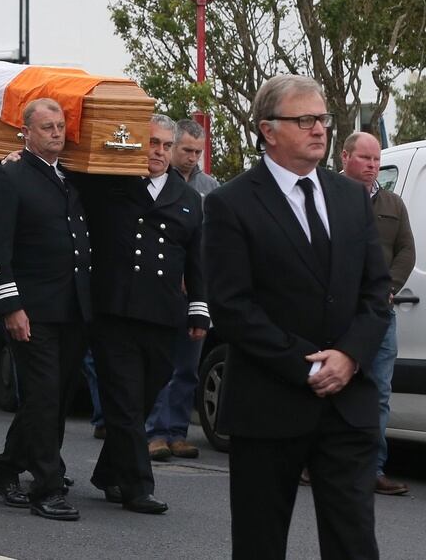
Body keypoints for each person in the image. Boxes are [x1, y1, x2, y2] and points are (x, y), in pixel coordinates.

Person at [205, 75, 390, 560]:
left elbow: (376, 291)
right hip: (269, 406)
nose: (319, 129)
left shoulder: (350, 197)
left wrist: (349, 356)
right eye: (304, 120)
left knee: (354, 542)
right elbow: (232, 308)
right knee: (260, 543)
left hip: (347, 406)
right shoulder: (231, 203)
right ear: (268, 130)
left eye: (322, 119)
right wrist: (307, 366)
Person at [75, 115, 207, 515]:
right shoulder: (111, 185)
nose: (159, 152)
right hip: (115, 311)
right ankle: (138, 485)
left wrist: (199, 310)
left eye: (167, 146)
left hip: (163, 314)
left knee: (147, 393)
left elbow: (197, 259)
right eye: (152, 143)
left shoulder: (189, 199)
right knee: (126, 401)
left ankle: (107, 472)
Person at [0, 97, 92, 520]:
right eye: (47, 127)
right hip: (32, 310)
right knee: (43, 397)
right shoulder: (8, 177)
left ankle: (7, 467)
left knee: (55, 398)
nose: (57, 133)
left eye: (60, 125)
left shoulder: (69, 176)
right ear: (25, 133)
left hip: (71, 308)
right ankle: (47, 487)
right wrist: (10, 305)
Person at [337, 131, 414, 496]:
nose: (372, 166)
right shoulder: (326, 196)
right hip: (338, 313)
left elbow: (406, 252)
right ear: (345, 157)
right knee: (332, 387)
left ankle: (372, 469)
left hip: (381, 315)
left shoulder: (393, 205)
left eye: (377, 160)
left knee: (379, 393)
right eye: (365, 159)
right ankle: (317, 462)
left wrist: (387, 287)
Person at [146, 117, 220, 461]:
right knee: (161, 363)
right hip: (164, 289)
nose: (193, 157)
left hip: (196, 289)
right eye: (187, 150)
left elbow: (209, 239)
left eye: (198, 152)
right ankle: (155, 432)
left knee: (188, 366)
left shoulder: (208, 187)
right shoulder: (156, 183)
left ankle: (177, 432)